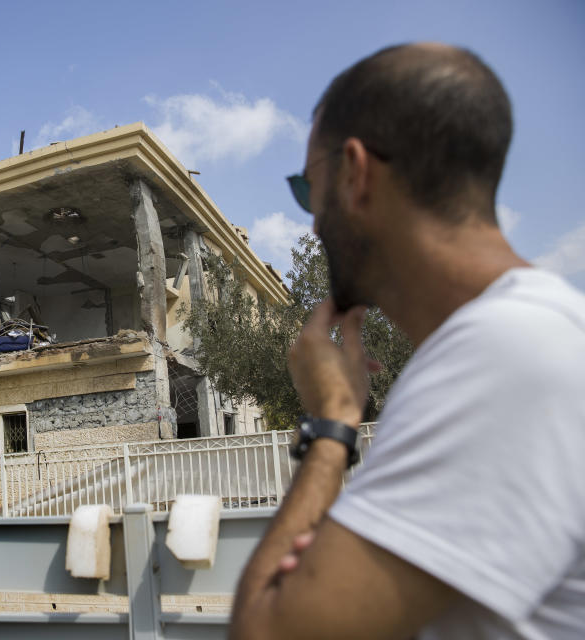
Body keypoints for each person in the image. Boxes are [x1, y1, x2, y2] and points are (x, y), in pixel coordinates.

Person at [229, 43, 585, 639]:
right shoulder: (520, 338)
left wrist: (333, 423)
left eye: (304, 187)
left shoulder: (503, 358)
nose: (312, 222)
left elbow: (267, 632)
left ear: (354, 174)